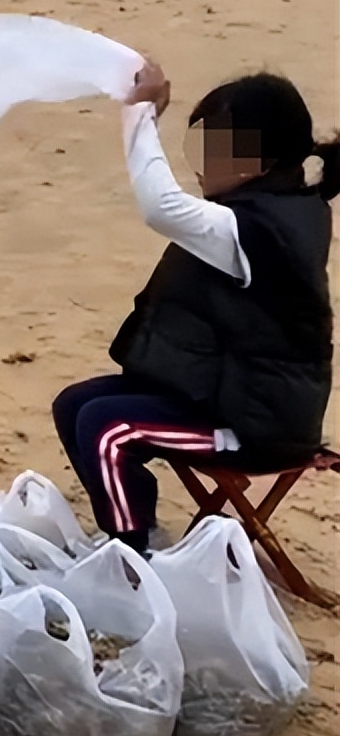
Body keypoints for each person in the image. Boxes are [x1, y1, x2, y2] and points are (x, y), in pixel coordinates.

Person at [52, 63, 337, 554]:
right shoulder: (264, 212)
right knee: (75, 405)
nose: (203, 162)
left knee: (106, 429)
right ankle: (140, 521)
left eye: (218, 149)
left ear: (262, 160)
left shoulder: (261, 232)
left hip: (258, 425)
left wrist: (139, 113)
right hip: (221, 392)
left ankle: (129, 556)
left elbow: (159, 206)